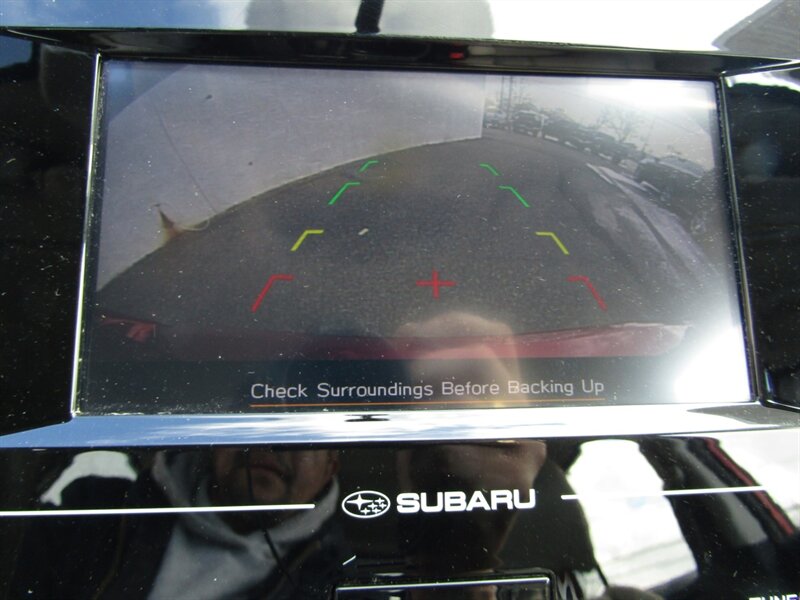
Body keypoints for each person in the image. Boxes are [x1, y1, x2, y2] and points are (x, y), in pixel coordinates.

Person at [9, 447, 349, 599]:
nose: (269, 447)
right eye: (249, 421)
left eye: (297, 435)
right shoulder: (93, 510)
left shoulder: (345, 576)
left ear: (330, 466)